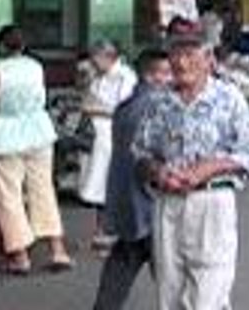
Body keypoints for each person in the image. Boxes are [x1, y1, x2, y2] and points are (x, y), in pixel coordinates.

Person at [132, 23, 249, 310]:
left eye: (190, 53)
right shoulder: (159, 102)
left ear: (209, 59)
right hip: (168, 204)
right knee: (170, 292)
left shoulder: (228, 99)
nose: (180, 61)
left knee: (207, 296)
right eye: (175, 54)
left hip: (211, 202)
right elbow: (140, 153)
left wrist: (209, 168)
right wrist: (158, 172)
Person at [0, 25, 72, 274]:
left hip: (6, 138)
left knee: (9, 196)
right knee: (43, 190)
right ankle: (58, 251)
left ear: (0, 46)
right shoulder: (35, 67)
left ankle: (20, 256)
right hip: (39, 133)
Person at [92, 47, 173, 310]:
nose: (172, 79)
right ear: (152, 75)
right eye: (167, 73)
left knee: (123, 261)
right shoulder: (159, 109)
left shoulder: (125, 108)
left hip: (126, 203)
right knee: (172, 274)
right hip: (152, 204)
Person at [78, 39, 138, 249]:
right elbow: (86, 99)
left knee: (109, 182)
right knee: (96, 184)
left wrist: (96, 109)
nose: (93, 63)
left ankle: (112, 231)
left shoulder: (126, 77)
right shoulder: (97, 77)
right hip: (96, 136)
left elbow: (123, 109)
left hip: (112, 135)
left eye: (96, 59)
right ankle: (100, 231)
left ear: (108, 57)